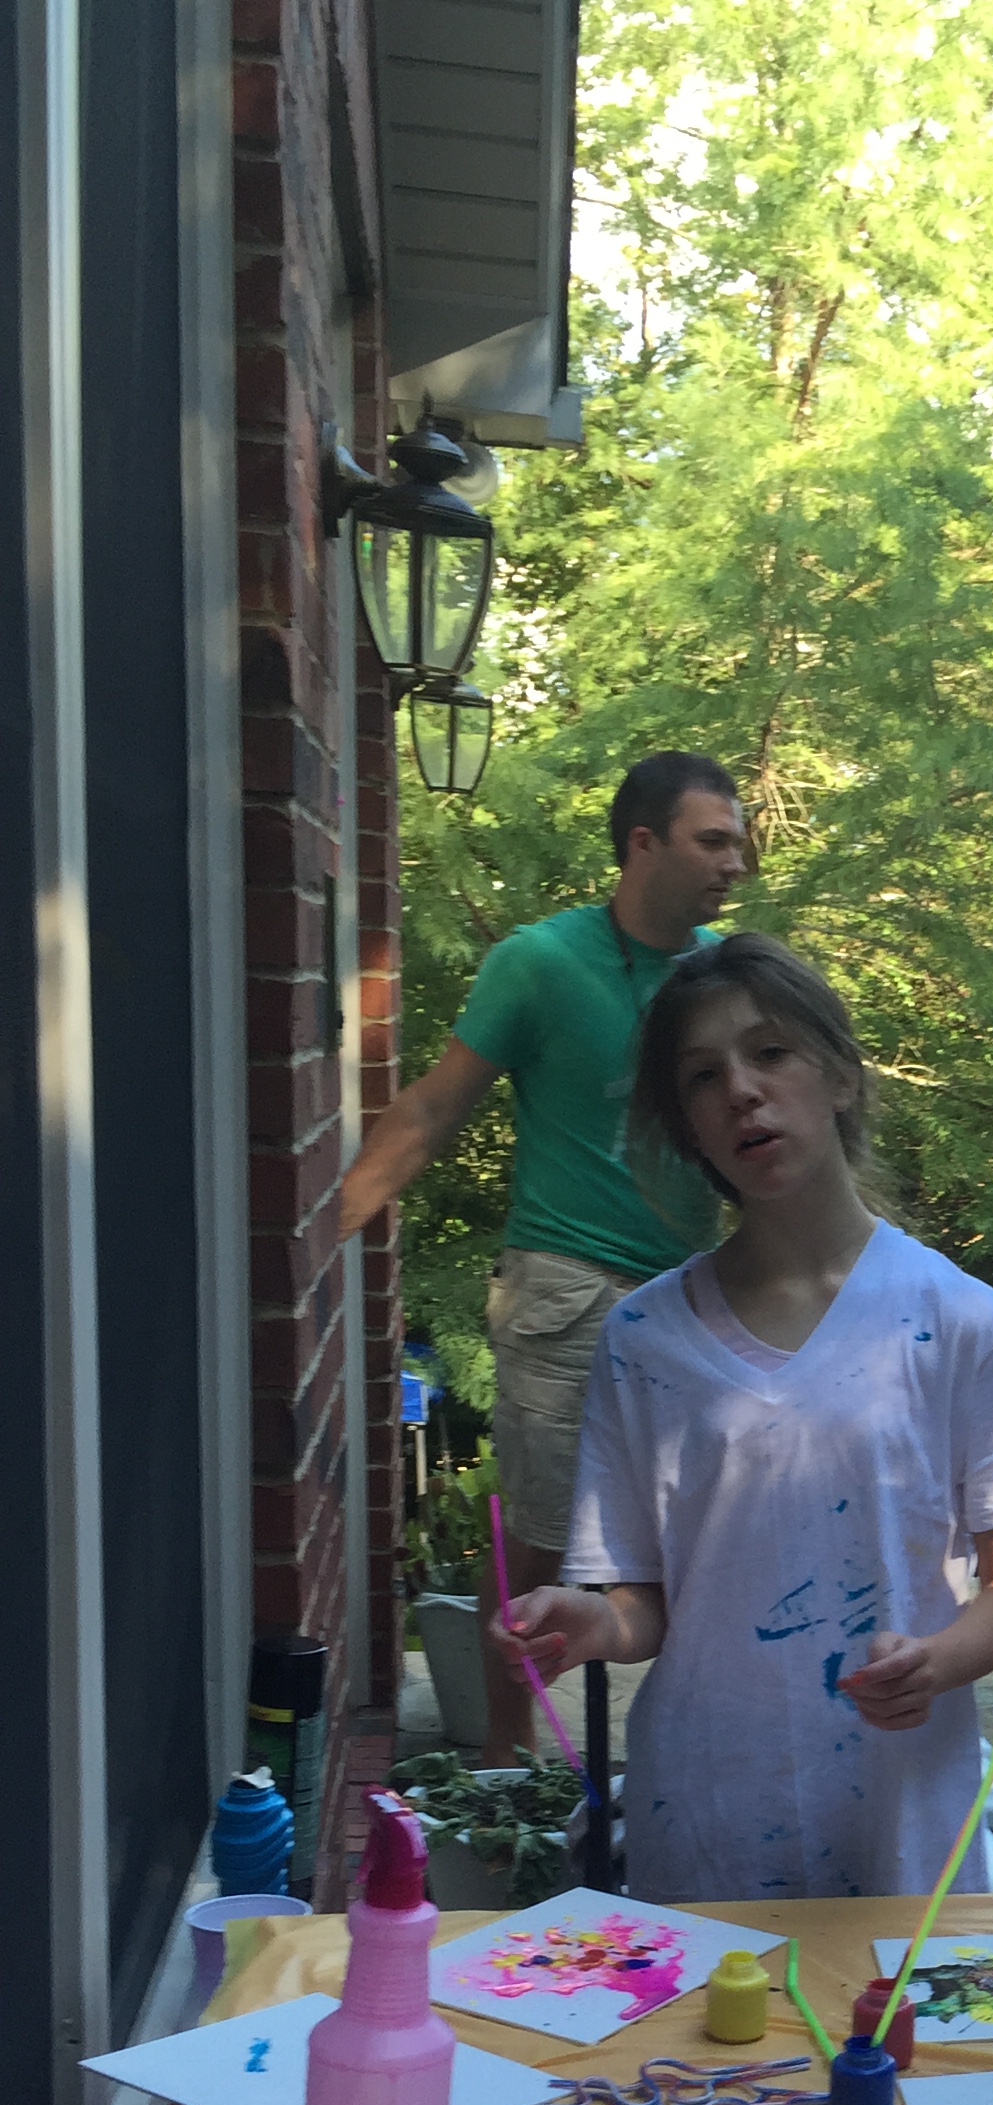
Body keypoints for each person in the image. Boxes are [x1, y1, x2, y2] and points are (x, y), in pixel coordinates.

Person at [493, 933, 993, 1902]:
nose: (741, 1089)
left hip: (902, 1821)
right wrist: (591, 1623)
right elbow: (647, 1607)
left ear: (842, 1077)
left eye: (770, 1052)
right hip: (703, 1821)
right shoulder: (642, 1341)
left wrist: (936, 1662)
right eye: (702, 1076)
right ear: (687, 1127)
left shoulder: (965, 1322)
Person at [340, 752, 754, 1760]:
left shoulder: (723, 974)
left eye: (740, 844)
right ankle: (506, 1759)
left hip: (691, 1293)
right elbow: (432, 1108)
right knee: (542, 1535)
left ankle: (704, 1744)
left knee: (708, 1529)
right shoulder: (540, 962)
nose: (736, 863)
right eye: (713, 841)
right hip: (568, 1286)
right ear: (643, 843)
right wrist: (315, 1237)